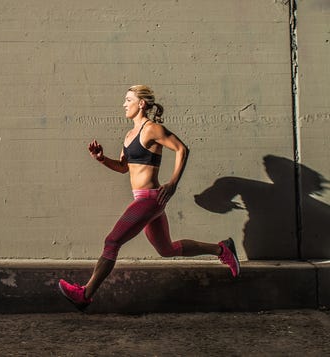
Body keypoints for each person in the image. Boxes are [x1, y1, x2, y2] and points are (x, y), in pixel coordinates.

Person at [59, 85, 240, 311]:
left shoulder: (152, 129)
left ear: (141, 103)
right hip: (143, 200)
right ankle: (222, 249)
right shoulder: (129, 134)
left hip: (151, 199)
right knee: (167, 250)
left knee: (112, 242)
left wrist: (172, 183)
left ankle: (84, 294)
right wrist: (102, 158)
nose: (124, 104)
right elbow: (125, 168)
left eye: (128, 100)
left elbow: (182, 149)